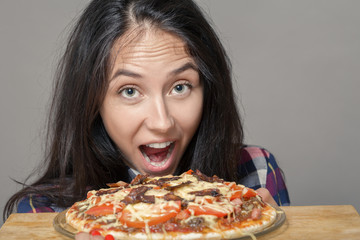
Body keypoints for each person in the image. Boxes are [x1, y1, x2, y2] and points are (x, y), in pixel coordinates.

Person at [3, 0, 290, 230]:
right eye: (130, 91)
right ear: (92, 100)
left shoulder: (255, 174)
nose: (162, 122)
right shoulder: (44, 211)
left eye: (180, 87)